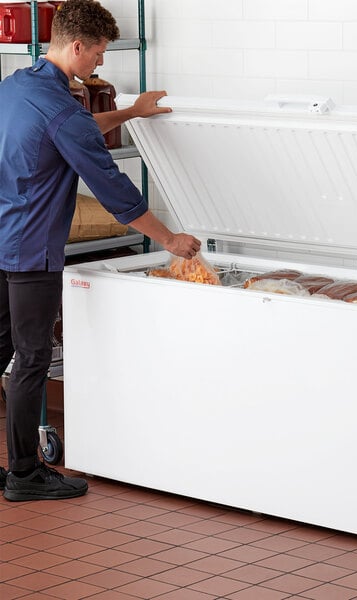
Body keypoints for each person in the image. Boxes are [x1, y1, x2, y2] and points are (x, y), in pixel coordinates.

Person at [0, 0, 200, 501]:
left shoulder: (17, 86)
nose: (100, 65)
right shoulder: (63, 109)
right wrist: (170, 240)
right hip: (30, 249)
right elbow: (114, 190)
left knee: (3, 350)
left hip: (2, 236)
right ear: (76, 46)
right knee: (31, 359)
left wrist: (133, 111)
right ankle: (24, 474)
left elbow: (71, 129)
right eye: (99, 54)